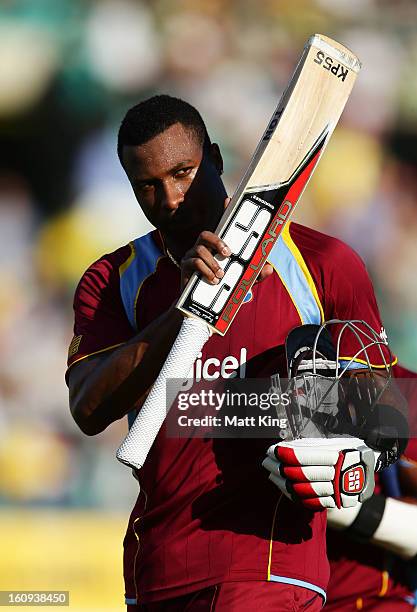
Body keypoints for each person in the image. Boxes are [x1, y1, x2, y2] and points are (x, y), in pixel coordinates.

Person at [66, 95, 403, 611]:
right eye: (148, 186)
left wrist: (344, 448)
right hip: (155, 565)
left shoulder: (323, 262)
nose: (172, 198)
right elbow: (88, 408)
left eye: (183, 173)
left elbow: (386, 417)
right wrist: (182, 311)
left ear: (218, 159)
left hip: (269, 565)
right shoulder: (114, 279)